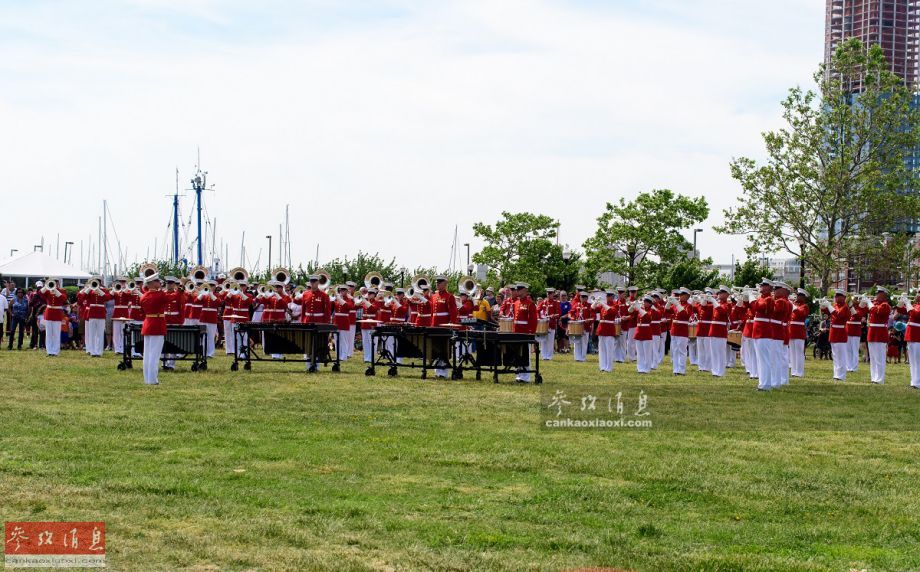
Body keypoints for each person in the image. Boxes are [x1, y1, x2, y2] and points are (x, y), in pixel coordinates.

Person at [139, 273, 168, 385]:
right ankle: (152, 380)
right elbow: (170, 298)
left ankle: (147, 379)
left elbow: (142, 312)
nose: (159, 283)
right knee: (154, 355)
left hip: (147, 324)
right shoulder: (160, 295)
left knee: (147, 355)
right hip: (157, 325)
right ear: (152, 283)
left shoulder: (144, 296)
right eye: (157, 281)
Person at [428, 276, 458, 379]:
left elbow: (453, 313)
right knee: (435, 349)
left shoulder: (449, 296)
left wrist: (452, 325)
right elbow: (432, 312)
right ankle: (437, 372)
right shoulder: (434, 296)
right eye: (437, 282)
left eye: (440, 282)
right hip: (434, 325)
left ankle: (443, 373)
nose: (437, 284)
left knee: (444, 349)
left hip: (444, 326)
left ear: (445, 284)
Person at [299, 275, 331, 370]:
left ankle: (316, 365)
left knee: (318, 344)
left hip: (319, 322)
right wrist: (303, 322)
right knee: (308, 343)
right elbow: (303, 310)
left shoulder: (324, 295)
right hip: (308, 321)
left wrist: (325, 324)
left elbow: (327, 311)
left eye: (314, 281)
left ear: (318, 282)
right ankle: (308, 365)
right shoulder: (305, 294)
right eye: (311, 281)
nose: (313, 283)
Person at [750, 279, 775, 391]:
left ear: (769, 287)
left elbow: (758, 307)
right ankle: (762, 383)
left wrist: (751, 297)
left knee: (764, 359)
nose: (761, 287)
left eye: (764, 285)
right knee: (760, 360)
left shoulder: (769, 299)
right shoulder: (762, 298)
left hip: (764, 332)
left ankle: (766, 385)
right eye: (761, 285)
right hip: (758, 332)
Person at [821, 290, 851, 382]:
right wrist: (823, 304)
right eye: (836, 296)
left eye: (838, 296)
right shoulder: (835, 305)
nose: (836, 297)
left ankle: (841, 376)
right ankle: (836, 374)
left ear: (843, 297)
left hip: (840, 332)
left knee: (841, 356)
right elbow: (825, 311)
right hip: (834, 332)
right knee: (835, 355)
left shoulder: (845, 307)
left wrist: (829, 305)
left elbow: (838, 315)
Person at [866, 287, 892, 384]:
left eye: (879, 293)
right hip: (872, 331)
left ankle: (880, 379)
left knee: (879, 357)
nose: (876, 295)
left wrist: (869, 303)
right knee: (872, 357)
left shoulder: (885, 305)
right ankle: (874, 378)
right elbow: (864, 309)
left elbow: (876, 311)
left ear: (884, 295)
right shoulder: (875, 304)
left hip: (880, 332)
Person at [512, 283, 537, 382]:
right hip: (516, 331)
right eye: (517, 289)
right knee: (518, 354)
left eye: (519, 289)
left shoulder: (530, 303)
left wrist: (531, 333)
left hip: (525, 332)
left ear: (525, 290)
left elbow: (533, 320)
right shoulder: (516, 303)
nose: (517, 291)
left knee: (525, 354)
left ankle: (526, 377)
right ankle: (519, 375)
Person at [40, 281, 68, 357]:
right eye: (53, 283)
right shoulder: (47, 290)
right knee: (48, 333)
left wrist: (56, 290)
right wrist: (47, 286)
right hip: (49, 313)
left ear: (58, 284)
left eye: (56, 283)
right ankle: (49, 351)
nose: (54, 284)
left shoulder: (62, 291)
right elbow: (40, 293)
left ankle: (55, 351)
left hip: (57, 313)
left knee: (56, 333)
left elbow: (63, 299)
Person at [898, 293, 920, 389]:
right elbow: (900, 310)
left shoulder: (917, 307)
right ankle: (914, 381)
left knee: (917, 360)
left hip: (917, 335)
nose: (915, 296)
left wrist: (907, 302)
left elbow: (915, 314)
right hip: (911, 335)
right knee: (912, 361)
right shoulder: (915, 305)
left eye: (917, 294)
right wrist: (901, 301)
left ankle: (917, 382)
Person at [668, 288, 692, 375]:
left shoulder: (689, 306)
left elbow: (685, 315)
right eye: (679, 294)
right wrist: (669, 302)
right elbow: (666, 311)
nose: (680, 296)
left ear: (687, 296)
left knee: (682, 351)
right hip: (674, 330)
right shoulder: (676, 305)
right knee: (675, 351)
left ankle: (681, 370)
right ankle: (675, 369)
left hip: (682, 331)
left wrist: (677, 304)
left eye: (682, 295)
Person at [709, 286, 731, 377]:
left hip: (721, 331)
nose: (719, 294)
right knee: (714, 352)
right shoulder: (717, 304)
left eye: (722, 292)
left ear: (727, 294)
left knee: (720, 352)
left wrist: (713, 301)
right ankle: (715, 371)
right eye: (719, 292)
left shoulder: (728, 304)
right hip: (713, 330)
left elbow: (722, 311)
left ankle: (720, 372)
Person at [595, 291, 618, 373]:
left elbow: (612, 311)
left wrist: (602, 303)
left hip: (609, 329)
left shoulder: (615, 304)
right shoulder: (602, 305)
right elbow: (593, 308)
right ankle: (602, 366)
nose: (608, 297)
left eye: (609, 296)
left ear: (612, 297)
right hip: (601, 328)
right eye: (607, 296)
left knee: (609, 349)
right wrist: (595, 302)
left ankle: (609, 367)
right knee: (602, 349)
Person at [788, 289, 810, 378]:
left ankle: (800, 372)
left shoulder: (805, 306)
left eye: (799, 295)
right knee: (792, 352)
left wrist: (792, 304)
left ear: (803, 297)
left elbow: (801, 314)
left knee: (799, 353)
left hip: (799, 331)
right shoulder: (795, 305)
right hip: (792, 330)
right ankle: (794, 371)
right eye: (797, 295)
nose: (797, 297)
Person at [631, 295, 654, 373]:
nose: (645, 303)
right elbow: (630, 311)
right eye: (644, 302)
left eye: (647, 302)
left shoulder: (652, 310)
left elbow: (647, 316)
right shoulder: (640, 309)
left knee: (646, 352)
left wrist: (639, 308)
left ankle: (647, 369)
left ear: (650, 303)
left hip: (646, 332)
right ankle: (640, 368)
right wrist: (632, 305)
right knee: (640, 352)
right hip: (639, 331)